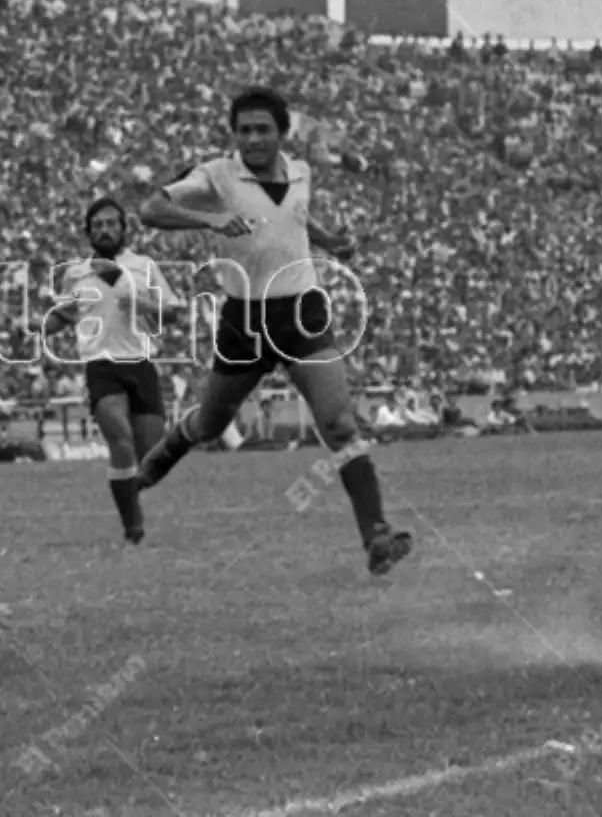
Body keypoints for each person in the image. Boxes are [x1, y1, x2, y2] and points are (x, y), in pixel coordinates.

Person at [134, 86, 414, 576]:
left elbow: (296, 219)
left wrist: (330, 242)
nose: (253, 138)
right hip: (245, 321)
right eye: (244, 130)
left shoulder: (301, 172)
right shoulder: (218, 174)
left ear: (282, 134)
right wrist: (214, 219)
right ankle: (165, 454)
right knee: (210, 425)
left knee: (339, 423)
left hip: (302, 314)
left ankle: (376, 533)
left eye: (263, 130)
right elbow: (150, 210)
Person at [42, 196, 186, 545]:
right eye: (98, 226)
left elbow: (172, 313)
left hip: (140, 361)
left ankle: (127, 488)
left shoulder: (144, 266)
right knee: (120, 441)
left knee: (148, 454)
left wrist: (141, 302)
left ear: (124, 229)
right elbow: (64, 315)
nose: (105, 231)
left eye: (111, 224)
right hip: (100, 365)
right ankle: (132, 527)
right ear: (88, 233)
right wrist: (38, 328)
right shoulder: (75, 273)